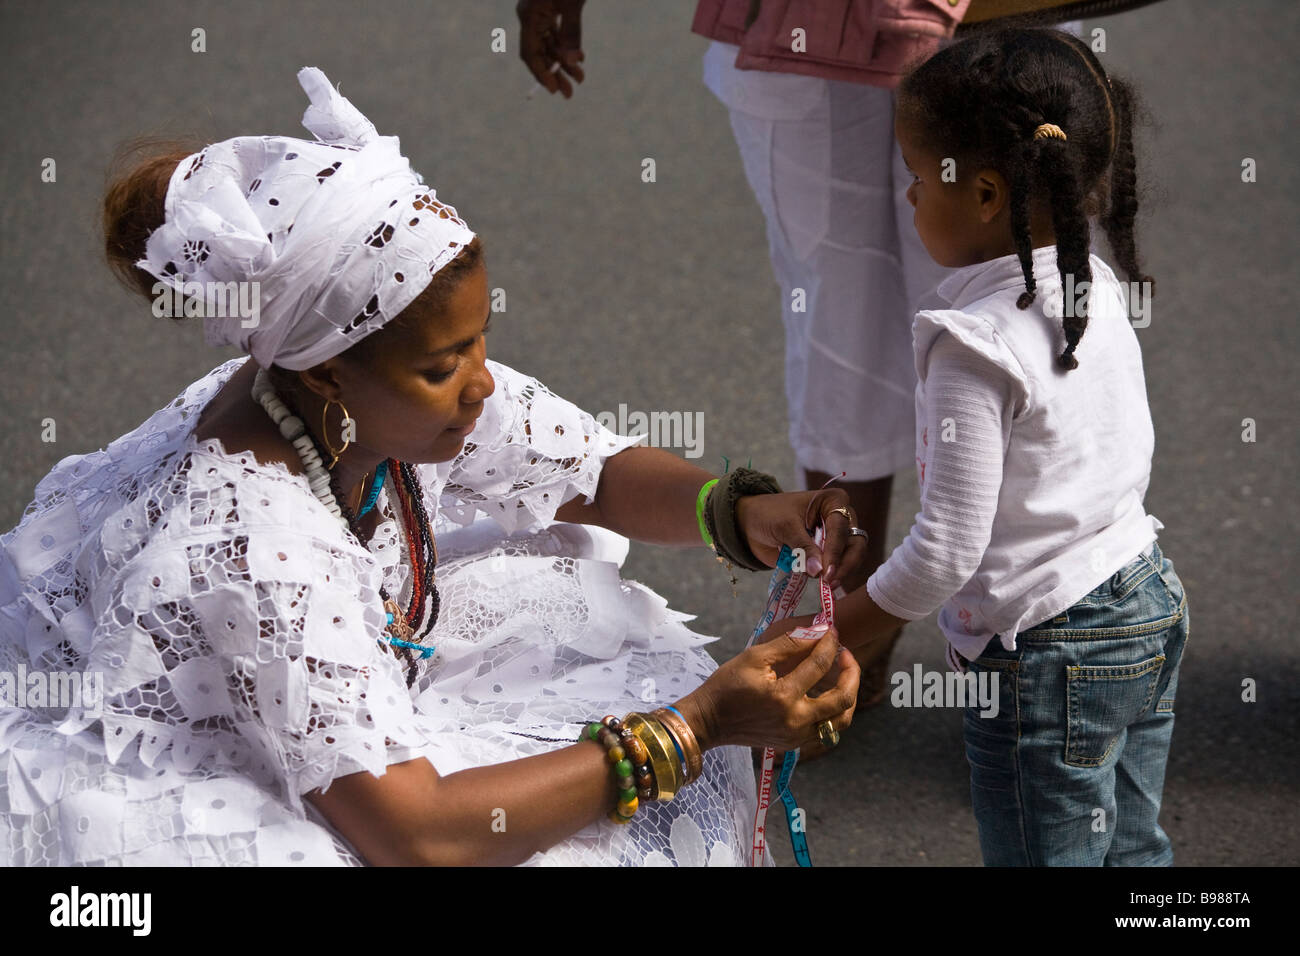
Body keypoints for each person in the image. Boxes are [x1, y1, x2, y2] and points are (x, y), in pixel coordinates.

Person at [0, 68, 866, 866]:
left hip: (353, 693)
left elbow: (591, 472)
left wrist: (741, 514)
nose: (481, 381)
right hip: (217, 766)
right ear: (328, 369)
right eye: (444, 363)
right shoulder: (252, 542)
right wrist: (696, 726)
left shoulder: (361, 399)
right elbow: (417, 837)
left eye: (479, 340)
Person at [766, 27, 1189, 866]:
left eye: (920, 179)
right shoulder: (1088, 284)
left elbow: (946, 549)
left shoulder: (972, 345)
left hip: (1048, 648)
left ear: (988, 194)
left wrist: (838, 633)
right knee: (1133, 850)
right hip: (1146, 599)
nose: (913, 198)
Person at [515, 0, 966, 712]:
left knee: (984, 308)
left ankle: (1014, 628)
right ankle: (842, 623)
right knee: (836, 317)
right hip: (808, 22)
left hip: (998, 23)